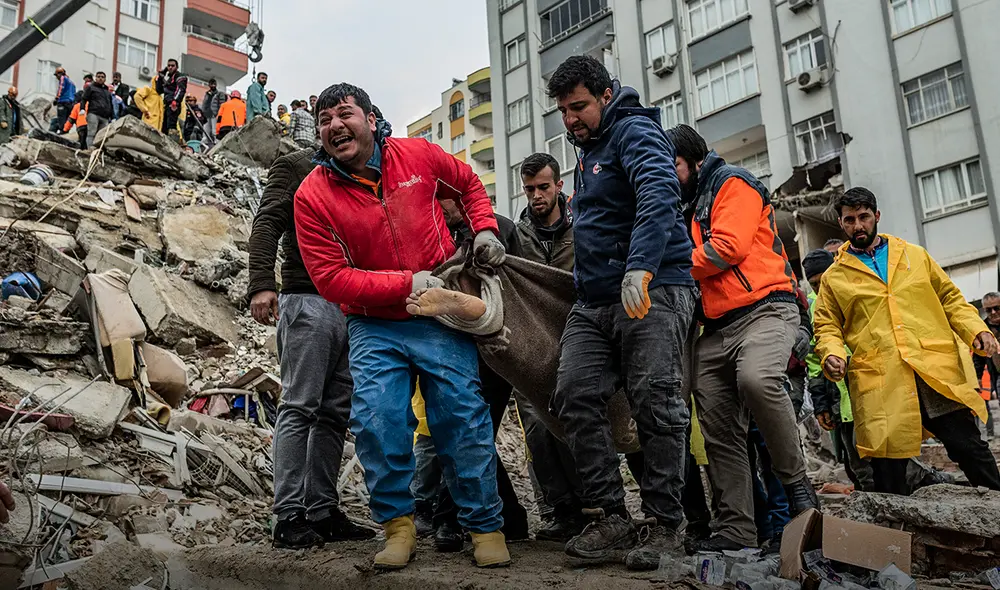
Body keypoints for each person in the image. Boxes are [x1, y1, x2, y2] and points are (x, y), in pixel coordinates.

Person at [293, 83, 511, 570]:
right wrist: (405, 281)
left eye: (344, 114)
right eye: (324, 119)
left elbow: (470, 186)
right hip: (374, 324)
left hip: (439, 313)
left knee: (461, 417)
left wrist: (486, 229)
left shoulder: (419, 155)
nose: (334, 126)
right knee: (377, 420)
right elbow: (330, 279)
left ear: (371, 119)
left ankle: (485, 526)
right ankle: (398, 526)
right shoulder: (312, 194)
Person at [544, 56, 697, 570]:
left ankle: (665, 523)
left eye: (579, 106)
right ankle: (611, 515)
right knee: (573, 393)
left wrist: (641, 267)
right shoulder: (586, 151)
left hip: (653, 288)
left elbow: (659, 194)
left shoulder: (634, 132)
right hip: (595, 302)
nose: (570, 119)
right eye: (563, 111)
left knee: (655, 399)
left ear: (606, 95)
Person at [666, 123, 817, 553]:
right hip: (712, 327)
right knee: (717, 425)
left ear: (695, 161)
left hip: (766, 309)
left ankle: (798, 486)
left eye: (672, 164)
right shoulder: (680, 203)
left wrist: (660, 264)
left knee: (757, 379)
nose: (665, 173)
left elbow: (725, 249)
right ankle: (736, 528)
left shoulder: (732, 182)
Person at [814, 187, 1000, 493]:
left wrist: (976, 330)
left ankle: (994, 510)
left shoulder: (914, 255)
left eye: (863, 217)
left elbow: (950, 298)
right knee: (888, 466)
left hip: (932, 369)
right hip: (883, 377)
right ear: (841, 223)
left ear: (876, 216)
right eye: (850, 220)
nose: (858, 226)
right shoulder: (835, 277)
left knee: (968, 447)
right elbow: (826, 326)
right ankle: (897, 537)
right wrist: (831, 353)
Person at [248, 144, 376, 549]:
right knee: (300, 405)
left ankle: (321, 510)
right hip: (307, 298)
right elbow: (267, 223)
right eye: (328, 117)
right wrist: (262, 284)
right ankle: (288, 515)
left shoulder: (366, 172)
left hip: (353, 305)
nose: (338, 128)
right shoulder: (295, 165)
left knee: (334, 413)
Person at [429, 199, 530, 553]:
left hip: (494, 350)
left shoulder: (500, 229)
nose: (441, 209)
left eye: (445, 202)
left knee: (469, 432)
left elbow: (522, 283)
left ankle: (449, 518)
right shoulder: (432, 232)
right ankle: (510, 517)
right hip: (452, 348)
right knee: (467, 431)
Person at [513, 153, 585, 542]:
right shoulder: (517, 236)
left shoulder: (583, 227)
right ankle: (561, 511)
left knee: (575, 421)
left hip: (579, 339)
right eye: (529, 190)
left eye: (543, 187)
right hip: (532, 346)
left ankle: (593, 506)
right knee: (538, 429)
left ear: (559, 185)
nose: (537, 196)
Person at [803, 248, 874, 492]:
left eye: (824, 281)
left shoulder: (855, 295)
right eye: (814, 284)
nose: (820, 289)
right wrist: (821, 404)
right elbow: (813, 363)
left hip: (868, 390)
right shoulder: (811, 312)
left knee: (881, 458)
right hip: (839, 400)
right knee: (855, 463)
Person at [974, 291, 1000, 438]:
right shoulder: (983, 329)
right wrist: (977, 377)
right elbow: (979, 356)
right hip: (998, 374)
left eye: (997, 308)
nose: (993, 312)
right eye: (988, 310)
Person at [81, 71, 113, 148]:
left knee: (101, 136)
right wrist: (82, 109)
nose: (100, 78)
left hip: (105, 117)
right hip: (93, 113)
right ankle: (90, 149)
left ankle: (96, 150)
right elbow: (84, 98)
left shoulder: (107, 92)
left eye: (102, 77)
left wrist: (112, 116)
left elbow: (110, 104)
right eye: (98, 77)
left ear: (105, 79)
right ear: (95, 78)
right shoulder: (91, 88)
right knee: (91, 132)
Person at [156, 59, 188, 135]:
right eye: (168, 66)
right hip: (167, 105)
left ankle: (173, 143)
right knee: (164, 128)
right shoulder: (169, 80)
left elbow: (181, 89)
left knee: (171, 126)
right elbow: (159, 90)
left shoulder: (180, 76)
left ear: (177, 67)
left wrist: (175, 101)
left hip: (173, 104)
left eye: (172, 66)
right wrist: (160, 77)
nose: (170, 67)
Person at [51, 67, 76, 132]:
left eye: (56, 75)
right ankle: (66, 131)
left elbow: (61, 88)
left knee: (61, 118)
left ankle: (62, 131)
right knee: (67, 118)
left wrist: (57, 98)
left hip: (63, 101)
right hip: (70, 103)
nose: (56, 77)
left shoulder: (63, 78)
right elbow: (74, 93)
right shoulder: (72, 82)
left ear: (59, 74)